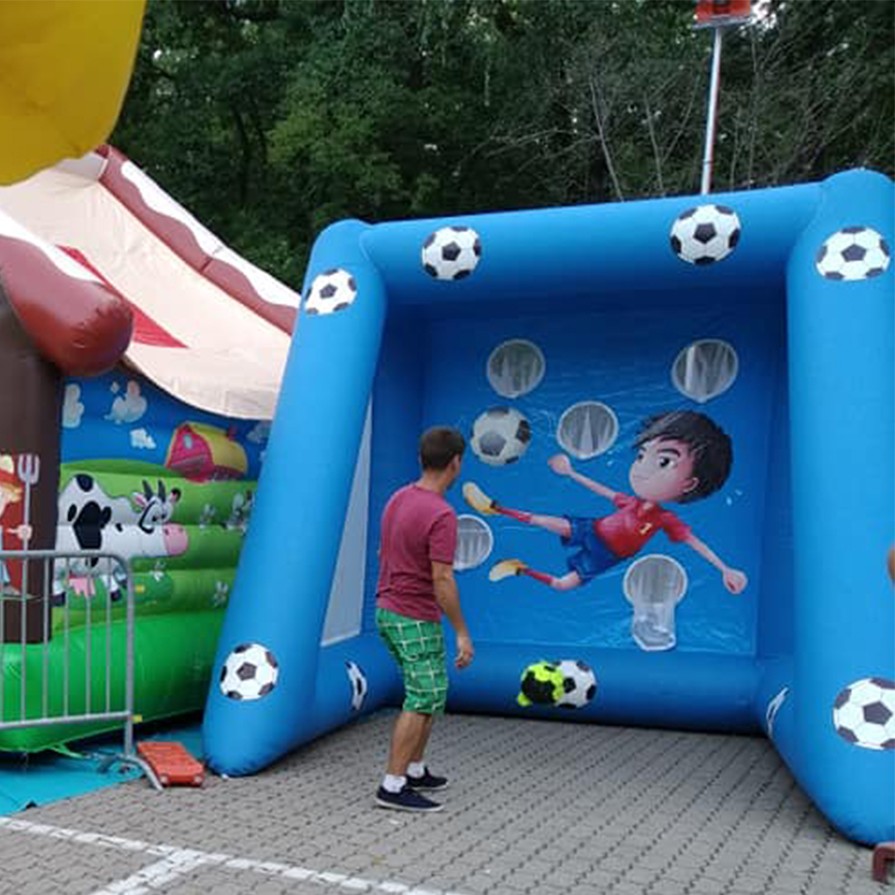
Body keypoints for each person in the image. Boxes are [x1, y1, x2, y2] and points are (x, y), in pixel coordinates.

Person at [464, 410, 748, 595]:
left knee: (562, 585)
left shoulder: (665, 519)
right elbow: (604, 491)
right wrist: (571, 473)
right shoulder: (631, 502)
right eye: (641, 456)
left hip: (607, 556)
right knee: (541, 520)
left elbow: (694, 542)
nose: (642, 468)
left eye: (664, 461)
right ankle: (493, 507)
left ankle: (518, 568)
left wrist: (725, 569)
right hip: (593, 528)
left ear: (689, 484)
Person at [375, 426, 474, 813]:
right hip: (413, 615)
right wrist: (462, 632)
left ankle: (414, 769)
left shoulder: (399, 498)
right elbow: (442, 578)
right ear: (456, 463)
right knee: (422, 697)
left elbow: (385, 550)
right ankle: (392, 785)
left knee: (431, 691)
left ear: (421, 459)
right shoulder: (441, 514)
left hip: (389, 610)